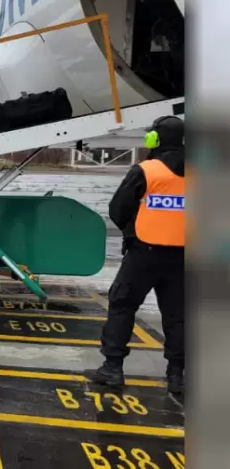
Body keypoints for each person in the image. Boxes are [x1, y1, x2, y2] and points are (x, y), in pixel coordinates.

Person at [91, 115, 184, 395]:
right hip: (184, 256)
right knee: (179, 315)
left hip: (144, 252)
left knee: (122, 304)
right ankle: (177, 376)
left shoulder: (146, 170)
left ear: (154, 139)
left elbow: (118, 208)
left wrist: (132, 231)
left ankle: (112, 368)